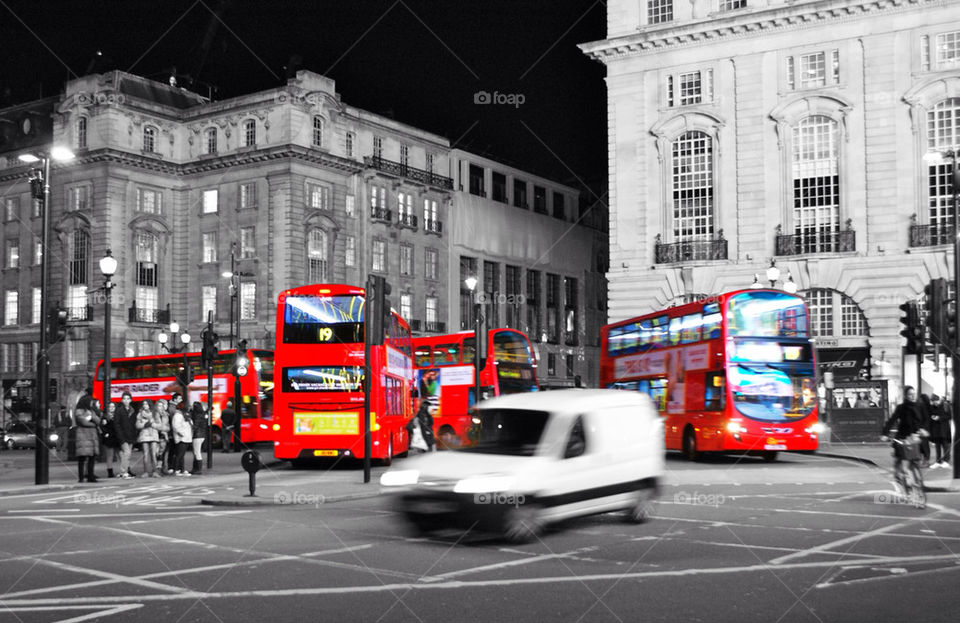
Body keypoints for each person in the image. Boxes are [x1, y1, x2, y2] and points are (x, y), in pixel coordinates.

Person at [882, 386, 929, 488]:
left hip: (916, 436)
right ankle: (899, 475)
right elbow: (892, 420)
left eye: (914, 394)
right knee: (901, 458)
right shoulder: (901, 407)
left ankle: (917, 480)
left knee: (915, 459)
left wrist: (923, 429)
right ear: (905, 396)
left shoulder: (920, 406)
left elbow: (926, 420)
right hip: (903, 436)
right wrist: (885, 433)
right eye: (910, 394)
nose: (913, 396)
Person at [73, 395, 101, 483]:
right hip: (83, 436)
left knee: (92, 457)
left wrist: (93, 417)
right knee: (82, 458)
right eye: (91, 402)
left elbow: (98, 420)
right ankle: (81, 477)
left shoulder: (91, 411)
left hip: (91, 436)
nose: (92, 403)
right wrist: (93, 424)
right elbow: (83, 422)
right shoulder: (79, 411)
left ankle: (90, 476)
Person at [113, 392, 137, 478]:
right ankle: (124, 472)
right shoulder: (119, 410)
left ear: (130, 400)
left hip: (130, 435)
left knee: (127, 454)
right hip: (122, 436)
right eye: (124, 399)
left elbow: (134, 424)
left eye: (128, 399)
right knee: (127, 453)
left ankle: (123, 471)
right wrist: (120, 436)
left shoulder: (132, 410)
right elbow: (116, 424)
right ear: (122, 400)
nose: (126, 400)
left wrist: (135, 435)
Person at [135, 399, 161, 477]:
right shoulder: (140, 414)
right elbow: (137, 425)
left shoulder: (155, 413)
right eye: (144, 404)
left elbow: (160, 425)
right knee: (146, 455)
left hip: (153, 436)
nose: (145, 406)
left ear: (150, 405)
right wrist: (144, 425)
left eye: (146, 404)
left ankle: (155, 472)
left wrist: (152, 424)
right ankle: (146, 472)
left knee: (154, 454)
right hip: (144, 436)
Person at [928, 394, 952, 468]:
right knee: (937, 446)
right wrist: (932, 417)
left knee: (945, 445)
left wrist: (939, 418)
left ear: (939, 400)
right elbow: (930, 415)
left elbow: (949, 416)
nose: (935, 403)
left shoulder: (945, 405)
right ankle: (938, 461)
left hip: (944, 429)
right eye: (933, 402)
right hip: (936, 430)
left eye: (936, 401)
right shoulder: (932, 407)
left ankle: (946, 461)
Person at [99, 401, 121, 478]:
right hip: (109, 438)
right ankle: (110, 472)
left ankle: (124, 470)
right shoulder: (105, 417)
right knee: (110, 456)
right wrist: (105, 434)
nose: (111, 408)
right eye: (110, 407)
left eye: (113, 406)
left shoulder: (117, 416)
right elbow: (102, 427)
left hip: (117, 437)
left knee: (120, 455)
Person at [170, 402, 193, 476]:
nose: (189, 408)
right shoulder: (178, 415)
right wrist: (181, 433)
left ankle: (181, 469)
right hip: (181, 437)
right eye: (188, 406)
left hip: (186, 437)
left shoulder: (185, 415)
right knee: (179, 454)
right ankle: (177, 469)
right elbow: (176, 426)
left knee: (182, 455)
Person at [190, 401, 209, 474]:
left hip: (197, 435)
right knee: (196, 452)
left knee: (197, 452)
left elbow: (195, 426)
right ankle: (196, 469)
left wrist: (191, 425)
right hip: (202, 435)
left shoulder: (197, 415)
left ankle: (198, 469)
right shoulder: (202, 414)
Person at [166, 393, 184, 474]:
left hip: (171, 431)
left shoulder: (172, 407)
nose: (181, 400)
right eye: (179, 398)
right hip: (172, 432)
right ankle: (172, 467)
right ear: (175, 399)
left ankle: (171, 467)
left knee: (172, 450)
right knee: (173, 450)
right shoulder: (172, 408)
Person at [154, 398, 172, 475]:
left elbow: (168, 426)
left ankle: (163, 468)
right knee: (156, 453)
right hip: (156, 435)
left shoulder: (166, 415)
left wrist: (164, 429)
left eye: (162, 406)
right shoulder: (154, 415)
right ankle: (156, 470)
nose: (161, 407)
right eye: (159, 406)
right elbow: (155, 425)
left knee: (162, 453)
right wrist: (161, 428)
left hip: (164, 436)